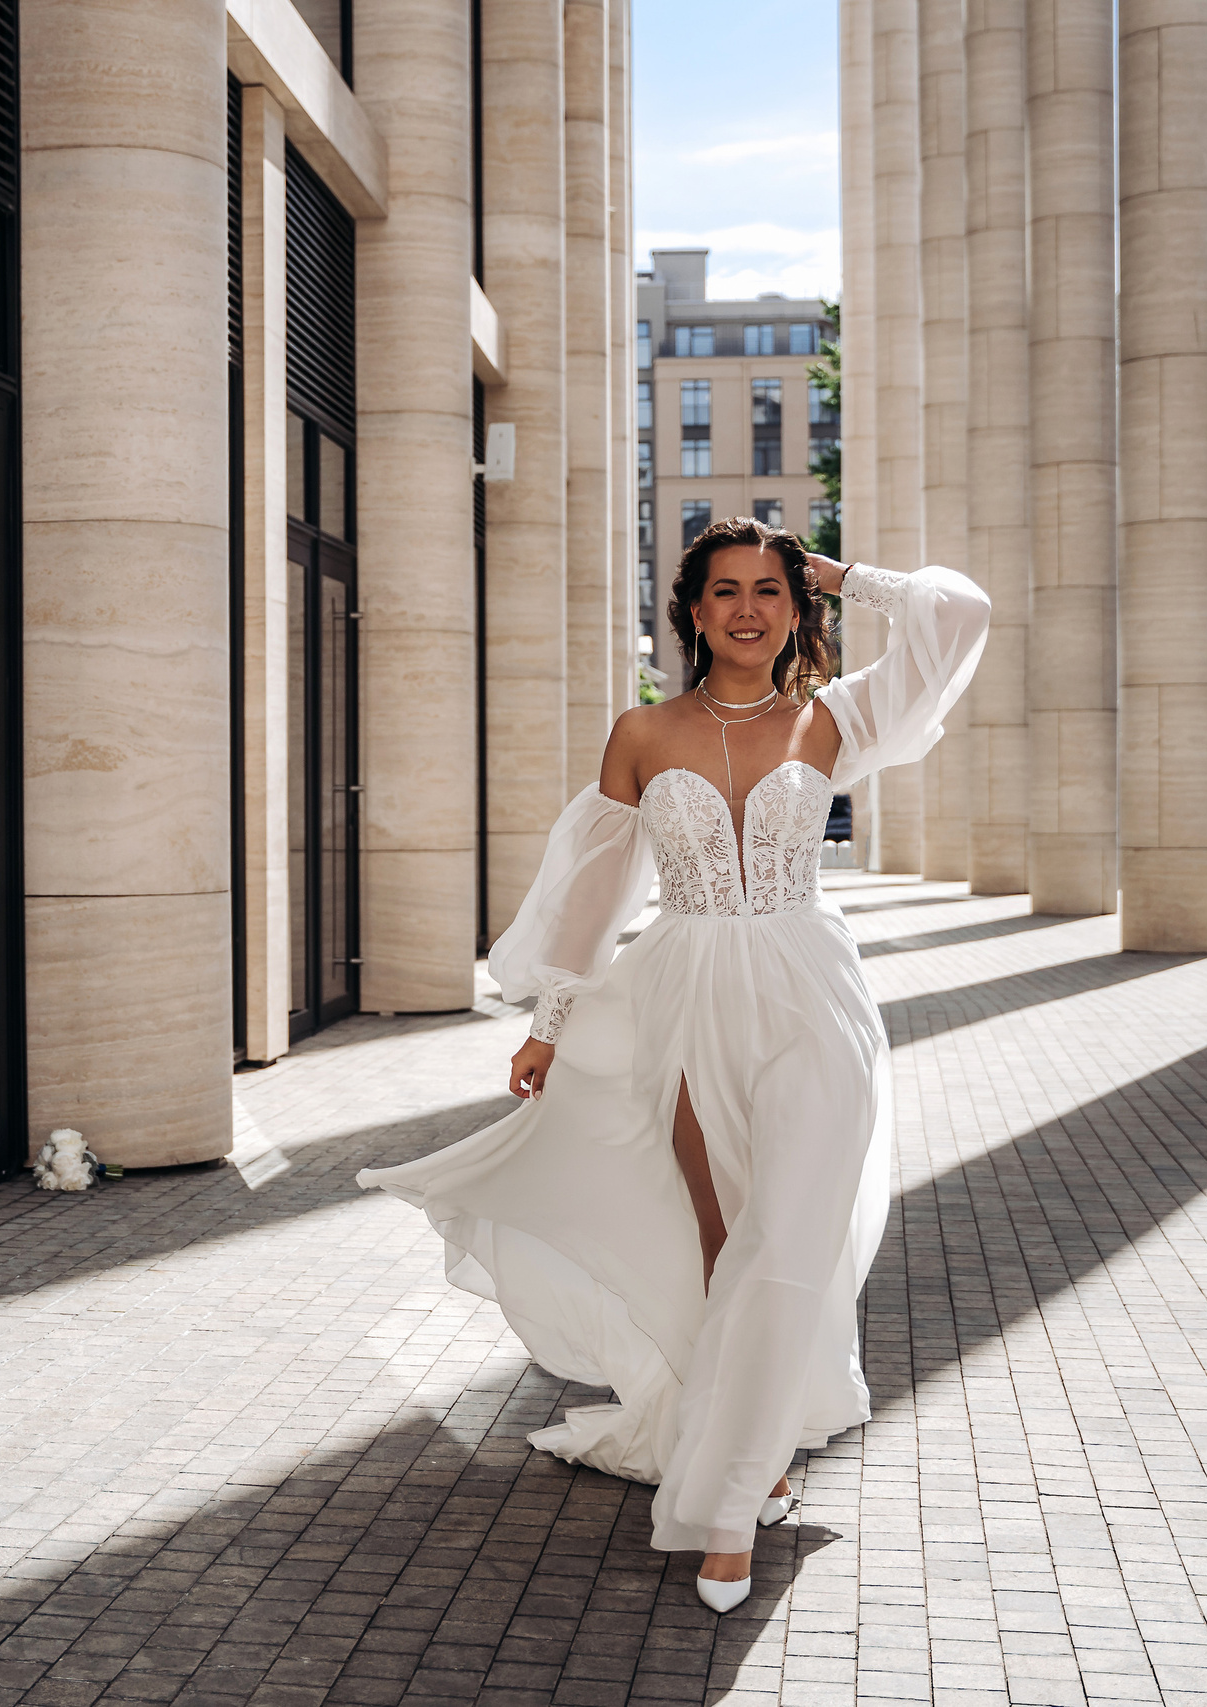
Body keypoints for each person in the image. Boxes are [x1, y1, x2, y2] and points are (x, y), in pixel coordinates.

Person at [357, 517, 990, 1614]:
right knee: (725, 1240)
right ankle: (765, 1437)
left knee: (789, 1235)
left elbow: (959, 614)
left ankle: (727, 1507)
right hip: (687, 998)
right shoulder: (643, 733)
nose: (749, 608)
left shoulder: (836, 717)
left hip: (810, 995)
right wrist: (549, 1021)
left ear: (797, 609)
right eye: (726, 591)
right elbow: (595, 890)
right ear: (691, 610)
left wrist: (839, 572)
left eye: (771, 591)